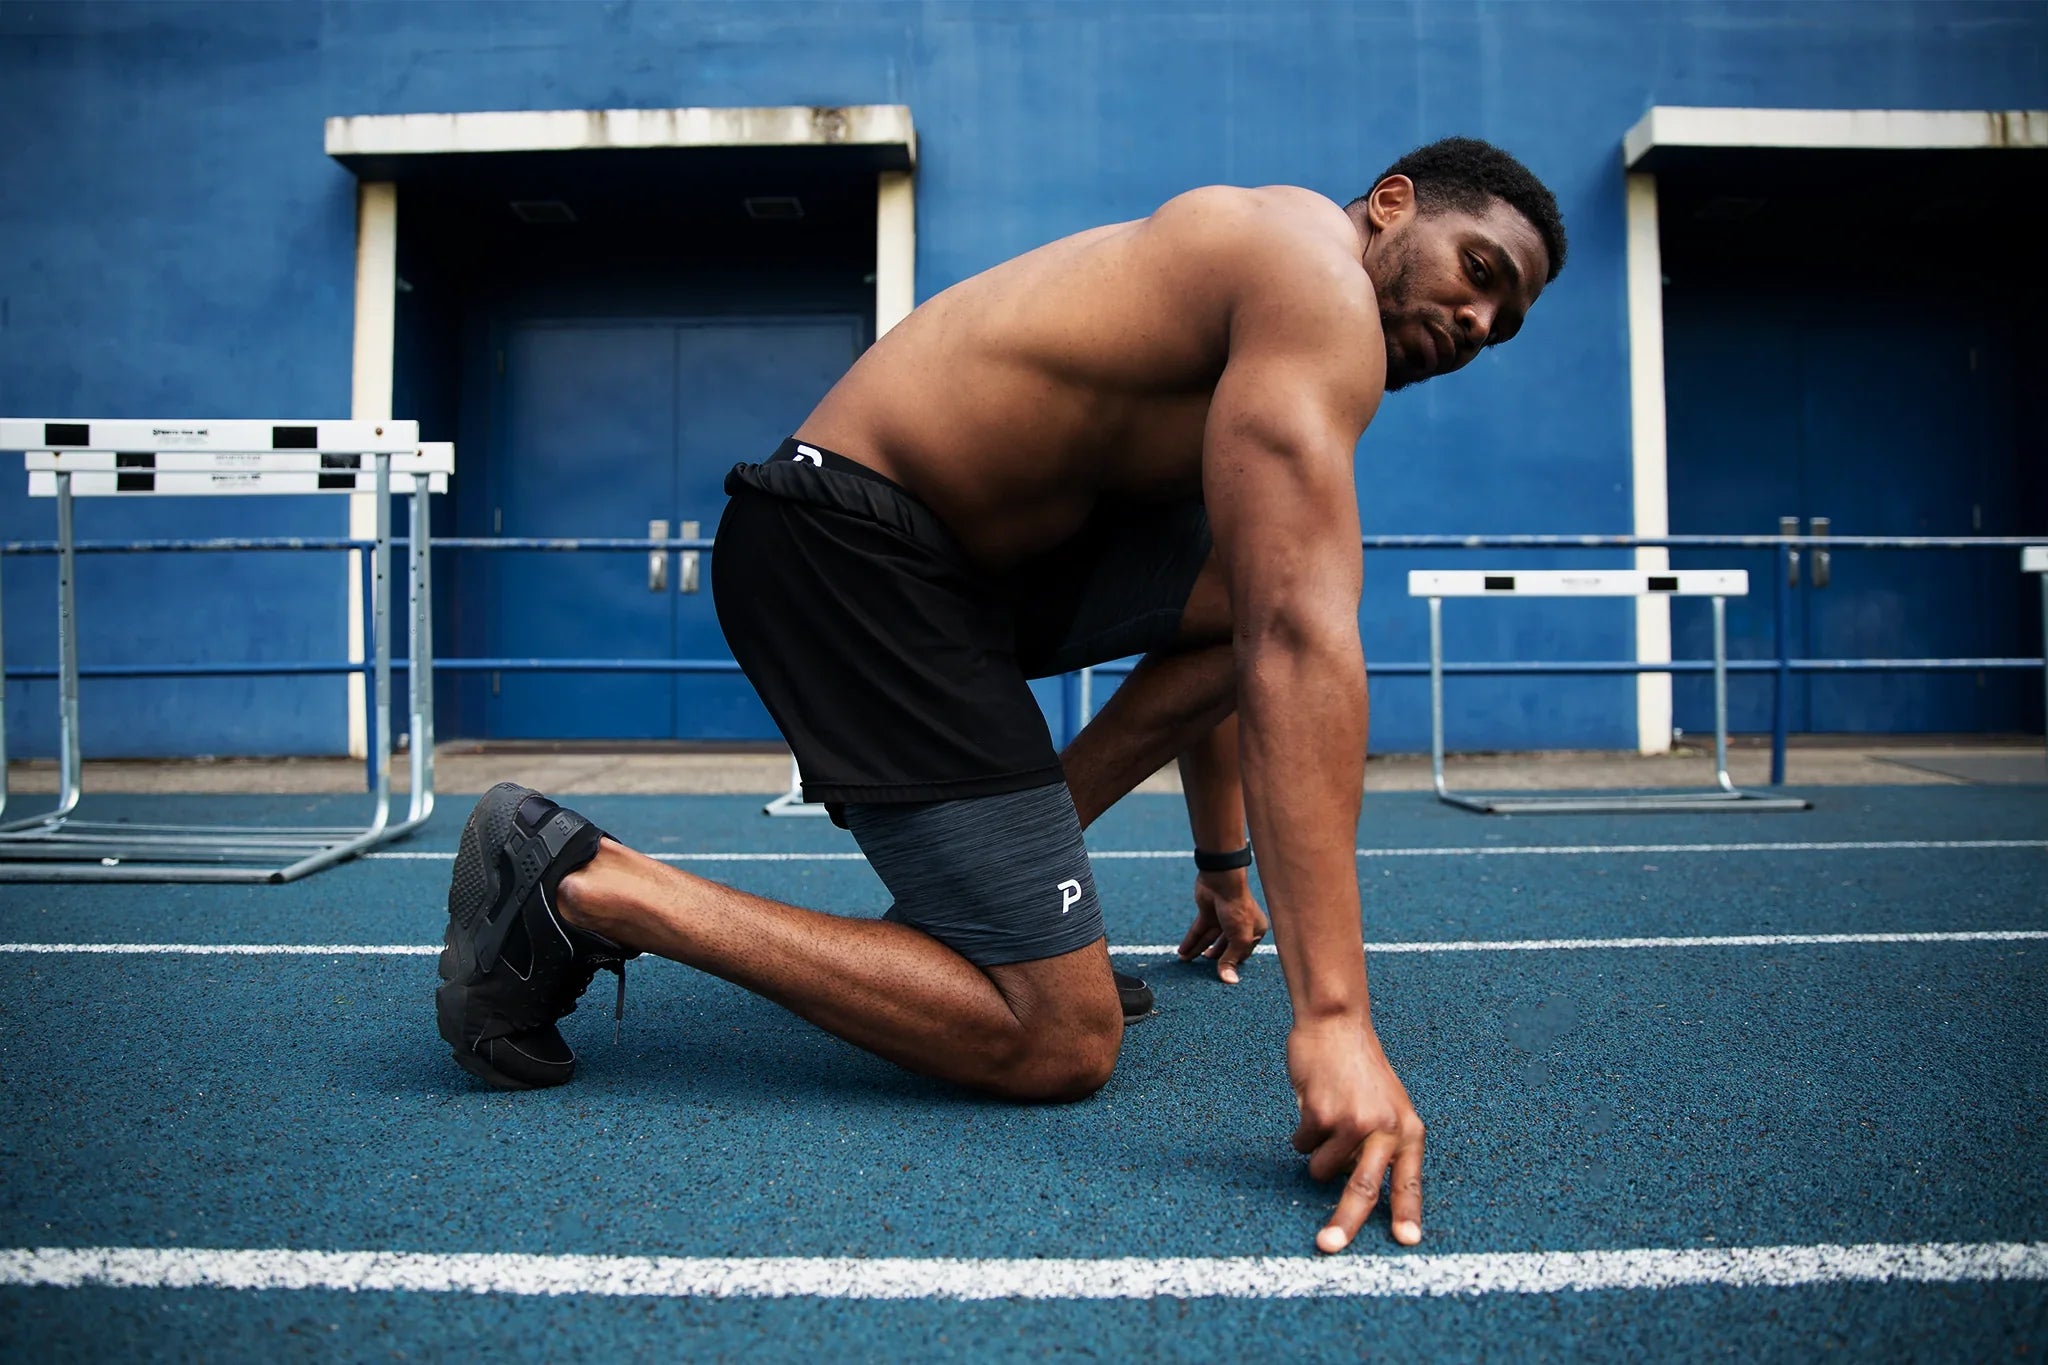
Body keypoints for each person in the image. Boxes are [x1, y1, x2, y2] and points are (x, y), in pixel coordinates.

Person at [435, 136, 1566, 1254]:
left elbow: (1245, 609)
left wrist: (1221, 866)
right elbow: (1299, 641)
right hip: (843, 552)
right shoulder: (1308, 277)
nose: (1477, 326)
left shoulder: (1260, 325)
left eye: (1503, 325)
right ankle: (582, 883)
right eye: (1479, 274)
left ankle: (1001, 897)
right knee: (1058, 1042)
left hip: (963, 576)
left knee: (1242, 576)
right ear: (1391, 203)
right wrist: (1332, 1020)